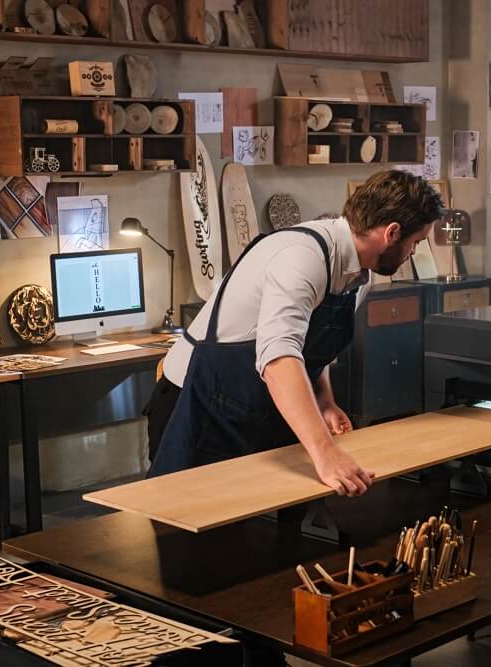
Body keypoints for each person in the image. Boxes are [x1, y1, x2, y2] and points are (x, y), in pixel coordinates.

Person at [145, 170, 444, 496]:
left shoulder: (359, 274)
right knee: (183, 528)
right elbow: (279, 360)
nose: (413, 252)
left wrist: (325, 402)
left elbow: (314, 348)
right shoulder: (302, 258)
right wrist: (325, 452)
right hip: (194, 405)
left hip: (253, 406)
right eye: (416, 242)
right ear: (392, 232)